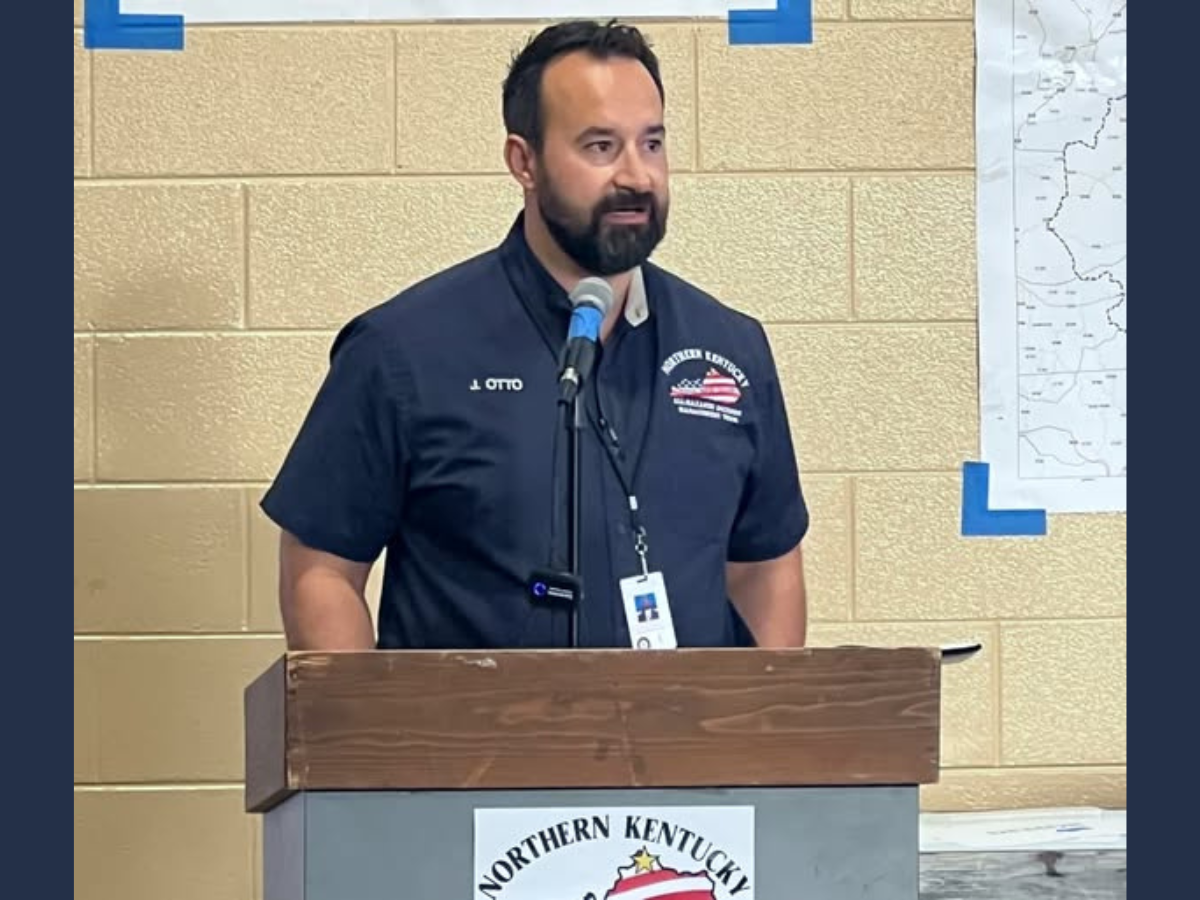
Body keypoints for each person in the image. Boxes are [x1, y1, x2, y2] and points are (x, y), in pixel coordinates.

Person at [261, 19, 810, 652]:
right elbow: (322, 570)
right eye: (601, 147)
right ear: (524, 161)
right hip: (473, 719)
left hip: (687, 722)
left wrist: (771, 714)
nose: (637, 176)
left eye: (652, 143)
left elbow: (764, 568)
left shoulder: (731, 349)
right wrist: (366, 715)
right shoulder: (403, 351)